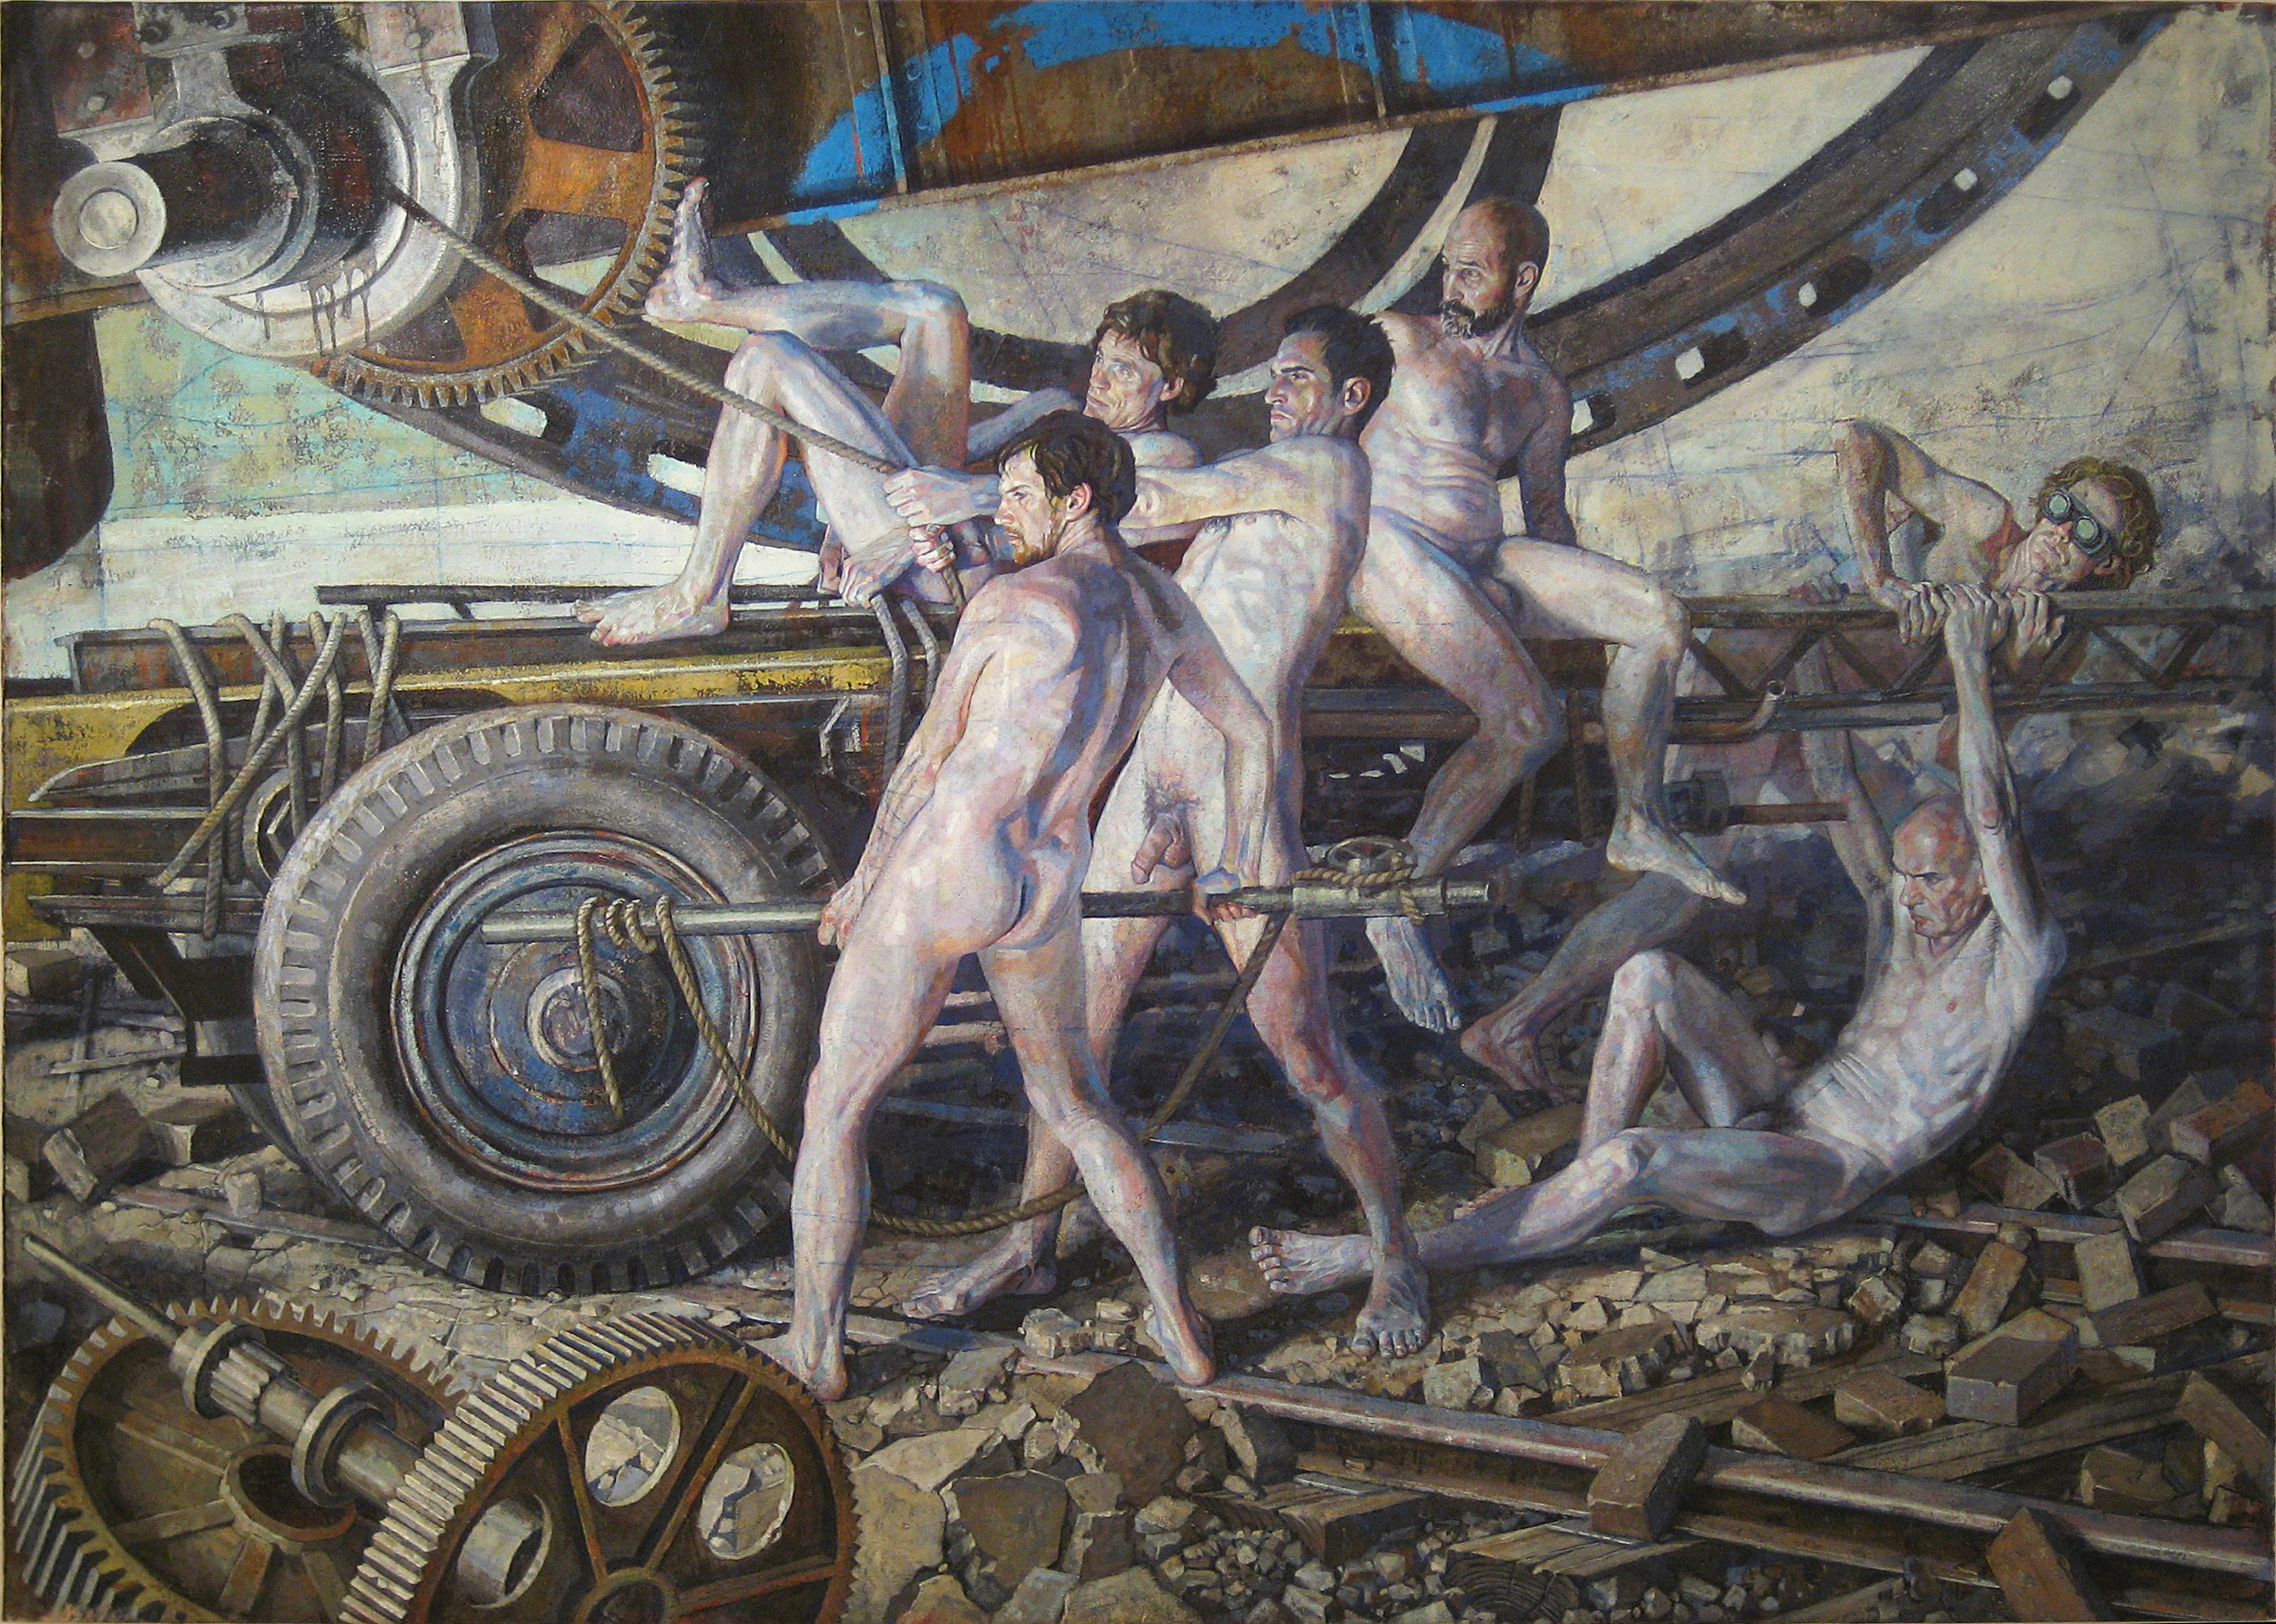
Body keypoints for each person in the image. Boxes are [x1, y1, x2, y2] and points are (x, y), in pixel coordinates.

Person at [1252, 586, 2064, 1286]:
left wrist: (1970, 659)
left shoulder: (2018, 956)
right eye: (1908, 875)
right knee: (1648, 974)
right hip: (1774, 1108)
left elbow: (1993, 815)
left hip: (1826, 1169)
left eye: (1933, 880)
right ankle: (1579, 1194)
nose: (1912, 897)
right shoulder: (1899, 912)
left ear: (1985, 881)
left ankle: (1374, 1257)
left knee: (1635, 1159)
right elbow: (1836, 775)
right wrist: (1810, 644)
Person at [904, 307, 1435, 1357]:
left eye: (1295, 378)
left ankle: (1397, 1261)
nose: (1276, 393)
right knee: (1073, 1035)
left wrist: (971, 492)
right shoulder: (1253, 502)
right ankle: (1028, 1243)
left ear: (1352, 399)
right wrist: (969, 544)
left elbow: (1158, 500)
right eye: (1274, 376)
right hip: (1160, 789)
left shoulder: (1326, 472)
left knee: (1309, 1051)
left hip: (1245, 804)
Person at [764, 412, 1273, 1400]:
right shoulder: (1161, 604)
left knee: (836, 1102)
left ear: (1075, 500)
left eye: (1017, 496)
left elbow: (929, 756)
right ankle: (1180, 1328)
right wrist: (1234, 863)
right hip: (1047, 880)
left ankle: (815, 1351)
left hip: (953, 864)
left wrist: (862, 883)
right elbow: (1250, 732)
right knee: (1077, 1105)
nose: (1002, 514)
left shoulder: (1016, 598)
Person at [1458, 424, 2161, 1094]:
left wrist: (2009, 672)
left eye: (2088, 534)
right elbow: (1859, 438)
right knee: (1677, 890)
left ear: (2108, 567)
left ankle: (1873, 1059)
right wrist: (1881, 579)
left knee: (1891, 884)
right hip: (1760, 679)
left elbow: (1954, 756)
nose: (2060, 533)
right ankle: (1512, 1025)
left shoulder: (2057, 641)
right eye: (2063, 509)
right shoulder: (1984, 524)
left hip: (1825, 714)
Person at [1349, 197, 1741, 1035]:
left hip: (1482, 554)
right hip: (1388, 545)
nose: (1450, 285)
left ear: (1522, 281)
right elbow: (1310, 418)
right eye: (1447, 266)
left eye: (1472, 271)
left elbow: (1548, 516)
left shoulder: (1541, 391)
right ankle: (1395, 901)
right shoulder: (1397, 339)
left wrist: (1576, 615)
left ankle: (1639, 818)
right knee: (1528, 723)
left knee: (1659, 617)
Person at [578, 176, 1217, 642]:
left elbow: (1099, 529)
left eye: (1125, 370)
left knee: (768, 359)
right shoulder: (1060, 411)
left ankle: (701, 591)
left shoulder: (1167, 456)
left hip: (963, 576)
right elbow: (923, 450)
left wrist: (942, 513)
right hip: (925, 533)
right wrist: (847, 513)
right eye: (1102, 359)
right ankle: (706, 298)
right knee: (935, 309)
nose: (1101, 379)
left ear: (1171, 388)